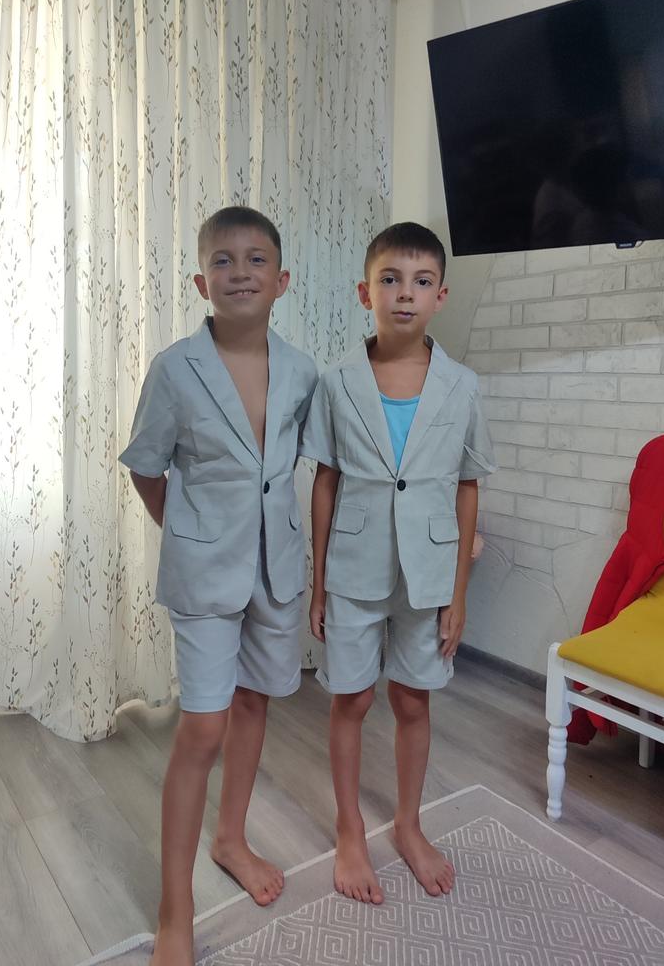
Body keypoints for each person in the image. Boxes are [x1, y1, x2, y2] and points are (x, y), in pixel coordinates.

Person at [119, 206, 318, 966]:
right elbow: (147, 467)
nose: (240, 273)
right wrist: (189, 532)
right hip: (204, 573)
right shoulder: (176, 369)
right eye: (223, 262)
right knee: (203, 727)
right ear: (202, 282)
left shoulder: (302, 372)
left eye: (256, 259)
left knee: (254, 703)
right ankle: (175, 909)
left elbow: (308, 467)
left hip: (277, 569)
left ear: (282, 280)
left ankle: (231, 838)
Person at [301, 221, 496, 904]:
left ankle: (409, 825)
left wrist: (459, 592)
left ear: (440, 295)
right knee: (352, 698)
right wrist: (319, 584)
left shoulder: (463, 386)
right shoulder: (336, 382)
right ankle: (349, 828)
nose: (404, 293)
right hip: (354, 569)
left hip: (429, 573)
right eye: (390, 279)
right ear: (366, 292)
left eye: (420, 281)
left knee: (413, 697)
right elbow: (324, 481)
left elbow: (468, 486)